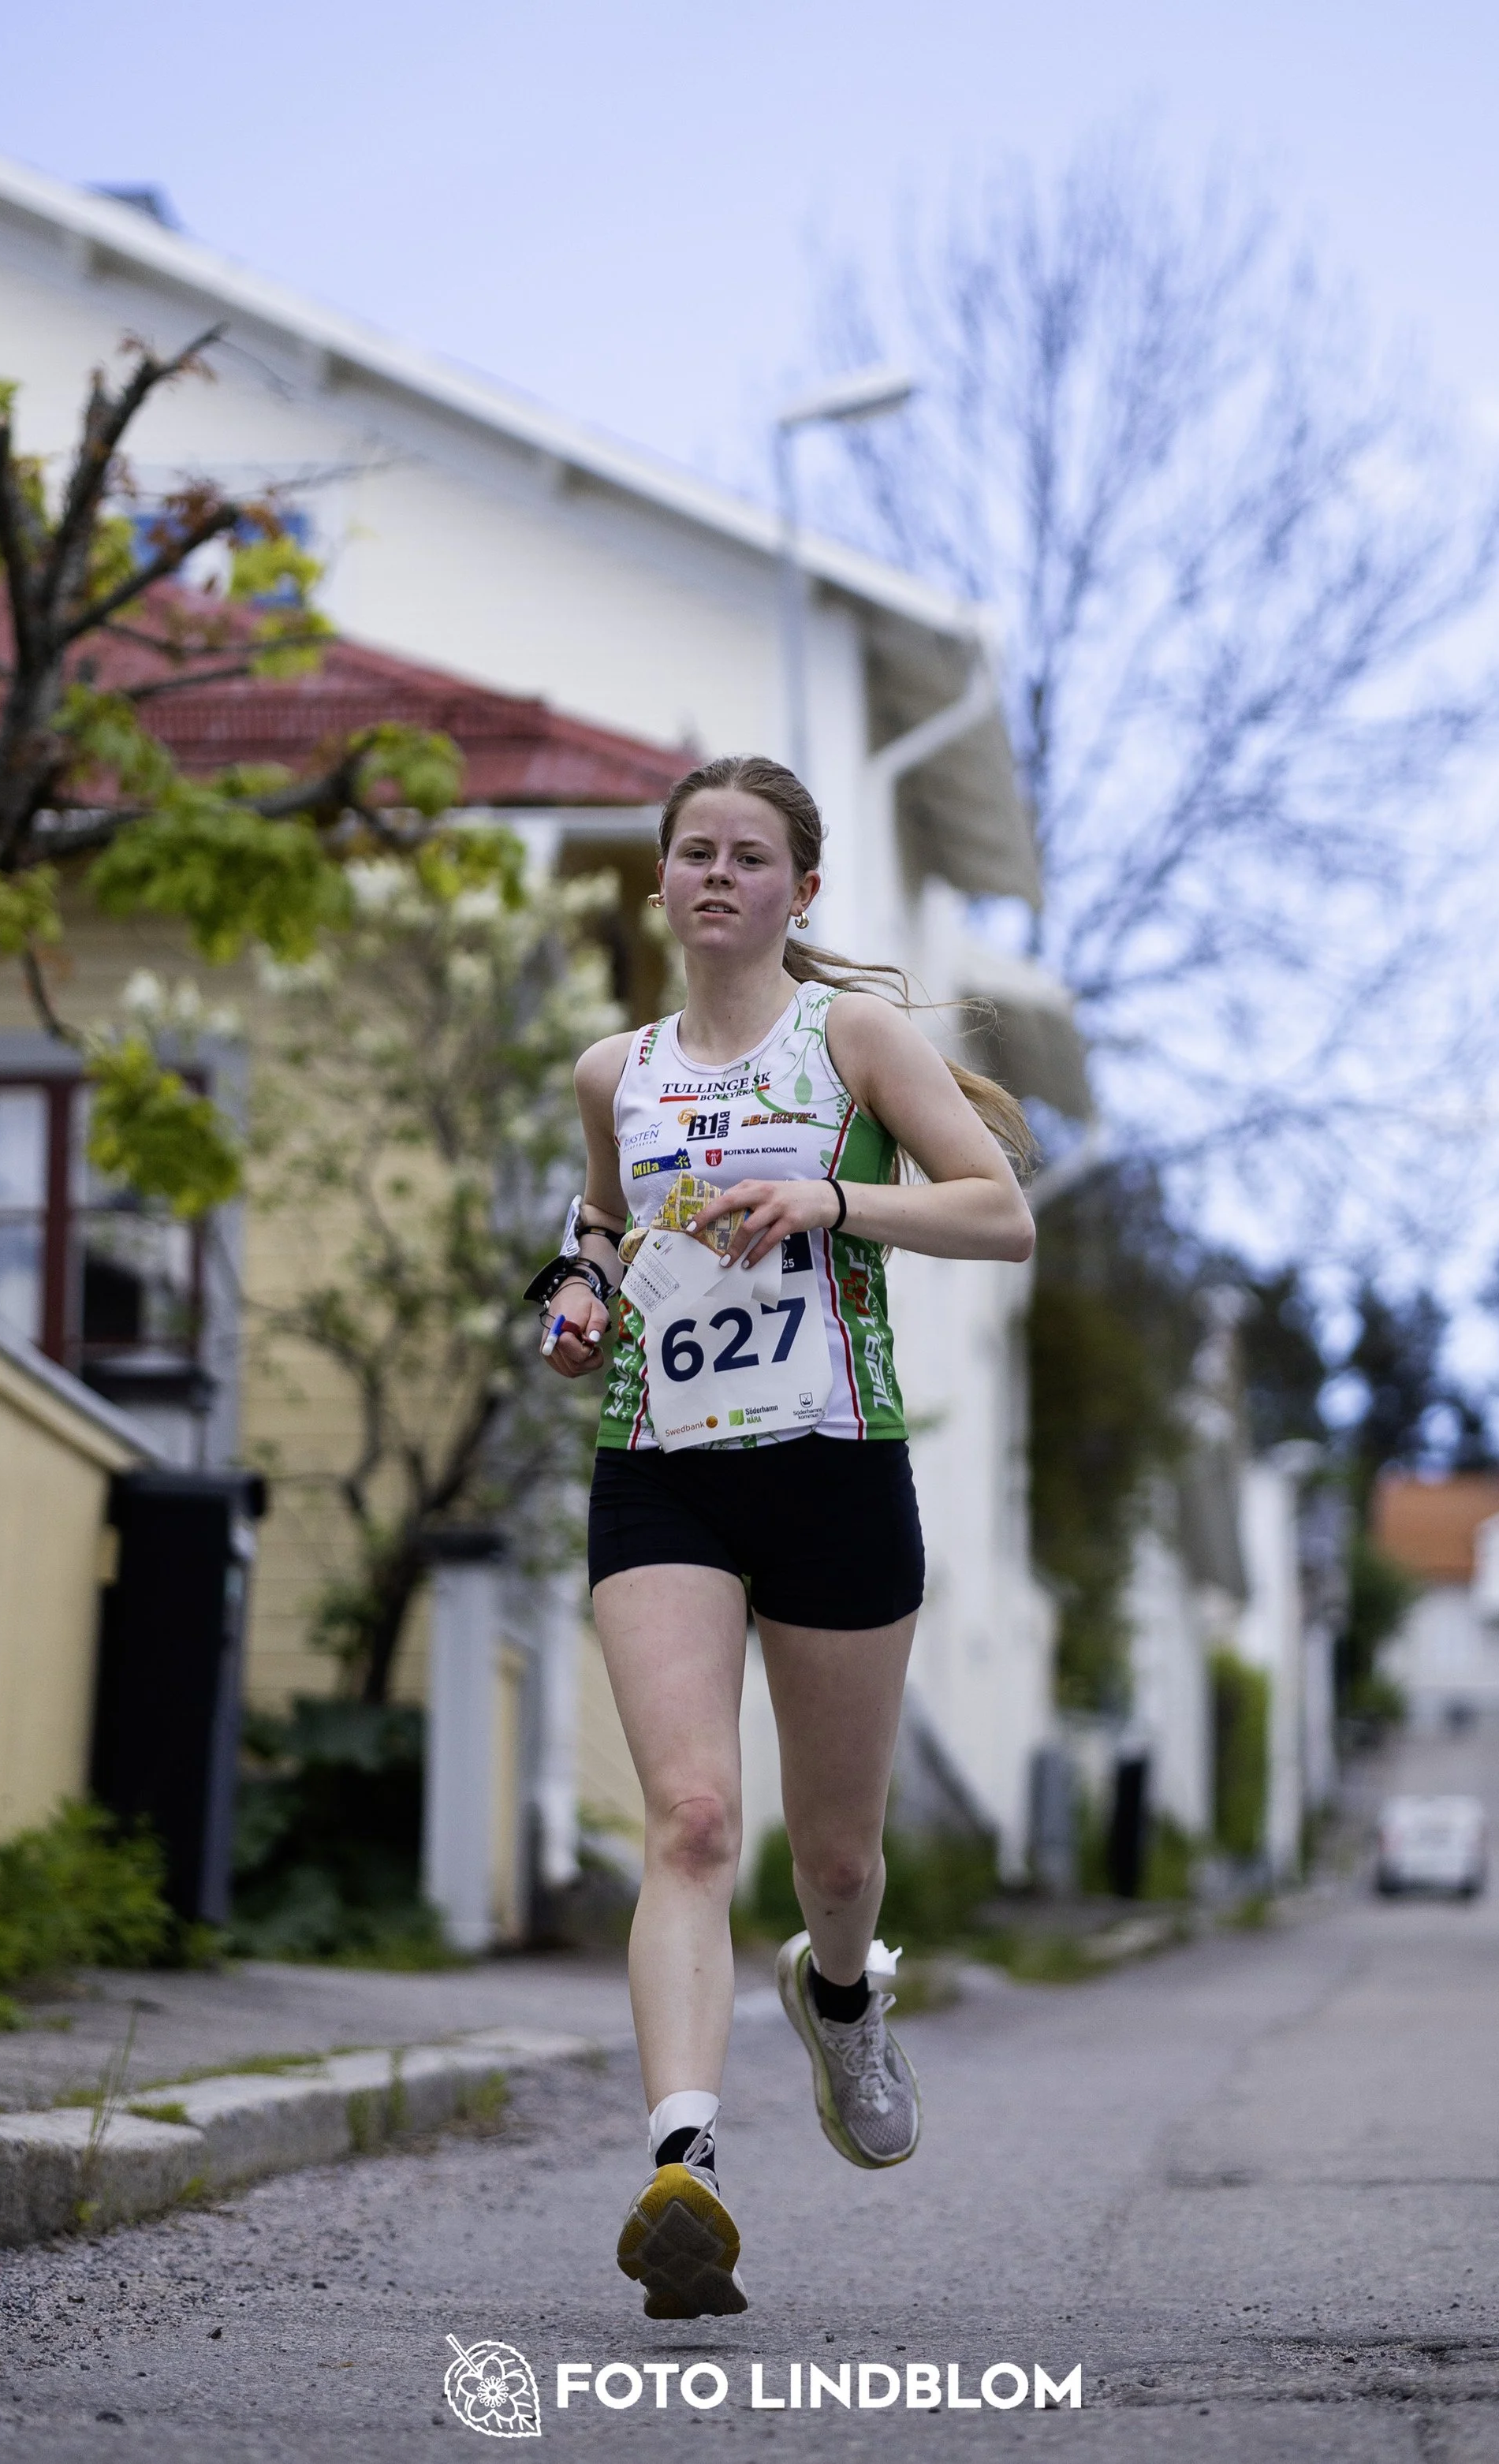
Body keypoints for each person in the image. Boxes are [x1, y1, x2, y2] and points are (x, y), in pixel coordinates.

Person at [531, 752, 1036, 2319]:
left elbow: (997, 1207)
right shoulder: (613, 1069)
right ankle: (682, 2166)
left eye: (750, 855)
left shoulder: (854, 1039)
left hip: (832, 1461)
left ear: (799, 890)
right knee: (687, 1815)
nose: (717, 875)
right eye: (693, 852)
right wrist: (576, 1287)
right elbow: (603, 1217)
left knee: (833, 1856)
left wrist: (833, 1199)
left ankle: (837, 1995)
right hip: (661, 1466)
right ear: (662, 881)